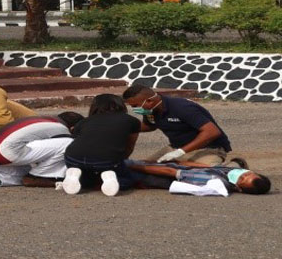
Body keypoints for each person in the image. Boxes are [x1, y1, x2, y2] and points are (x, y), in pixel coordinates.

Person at [0, 112, 85, 188]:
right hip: (7, 152)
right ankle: (40, 176)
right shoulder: (62, 129)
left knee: (37, 158)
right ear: (72, 128)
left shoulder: (42, 119)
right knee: (68, 144)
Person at [123, 84, 232, 165]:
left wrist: (180, 152)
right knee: (143, 166)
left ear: (149, 101)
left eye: (135, 106)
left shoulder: (182, 108)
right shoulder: (151, 110)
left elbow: (212, 132)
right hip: (175, 149)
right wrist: (124, 127)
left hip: (207, 150)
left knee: (206, 173)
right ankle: (176, 163)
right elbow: (150, 126)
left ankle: (233, 166)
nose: (135, 109)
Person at [62, 94, 141, 196]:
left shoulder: (83, 122)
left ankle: (77, 174)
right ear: (121, 105)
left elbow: (79, 141)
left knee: (87, 179)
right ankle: (109, 175)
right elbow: (129, 147)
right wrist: (118, 163)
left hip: (73, 157)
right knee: (128, 180)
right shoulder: (132, 121)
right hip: (107, 160)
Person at [127, 160, 271, 195]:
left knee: (116, 167)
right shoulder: (228, 172)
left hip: (148, 175)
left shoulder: (215, 180)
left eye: (242, 179)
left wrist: (133, 166)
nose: (241, 174)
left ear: (238, 188)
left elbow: (170, 172)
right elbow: (204, 166)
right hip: (158, 168)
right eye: (246, 174)